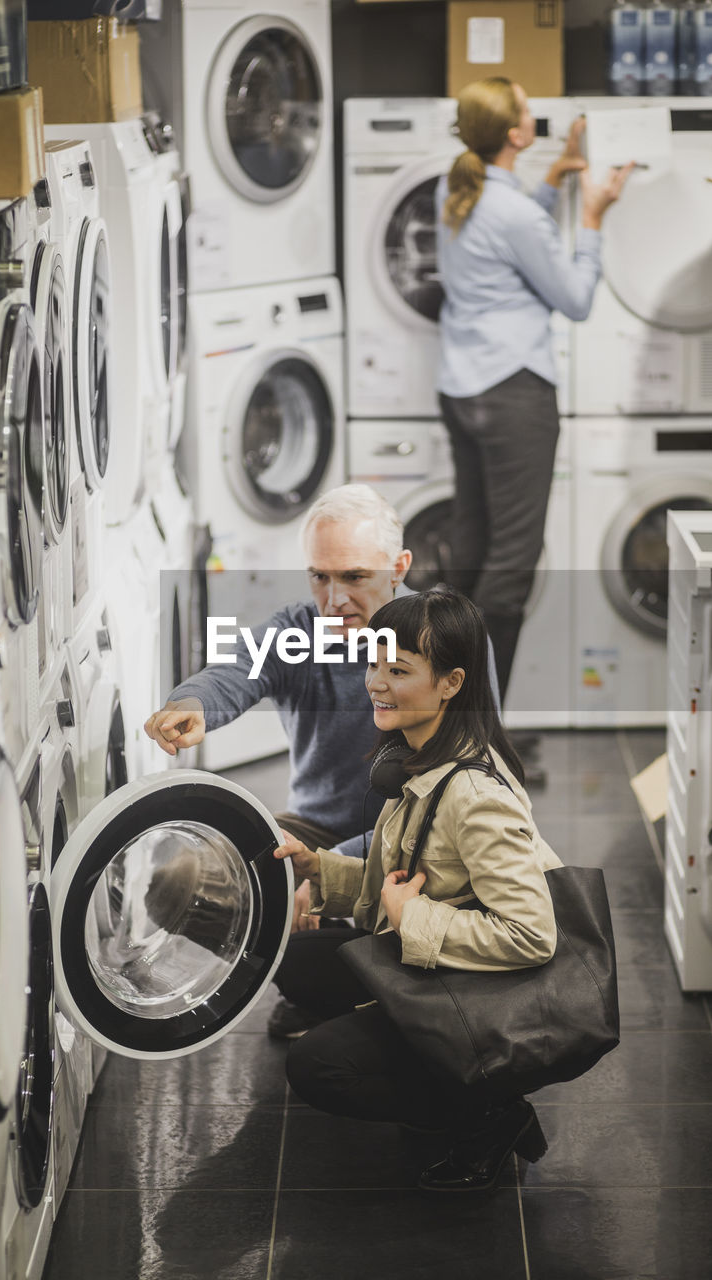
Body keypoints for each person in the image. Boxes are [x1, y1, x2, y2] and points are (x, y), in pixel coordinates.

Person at [145, 484, 501, 1037]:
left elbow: (477, 774)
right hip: (314, 825)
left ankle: (357, 985)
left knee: (412, 892)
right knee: (176, 882)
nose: (333, 599)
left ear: (399, 567)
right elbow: (235, 667)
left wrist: (327, 868)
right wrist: (193, 703)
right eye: (319, 577)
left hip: (422, 835)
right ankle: (316, 982)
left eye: (354, 578)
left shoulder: (449, 638)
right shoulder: (297, 631)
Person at [272, 584, 563, 1192]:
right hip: (441, 964)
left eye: (398, 670)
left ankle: (484, 1112)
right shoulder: (422, 754)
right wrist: (319, 870)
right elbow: (400, 880)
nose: (376, 682)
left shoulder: (474, 794)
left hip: (483, 996)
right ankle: (428, 1063)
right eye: (374, 663)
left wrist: (411, 920)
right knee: (296, 962)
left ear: (452, 683)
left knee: (318, 1067)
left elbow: (532, 935)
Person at [435, 78, 633, 715]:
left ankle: (439, 723)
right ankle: (480, 732)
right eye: (527, 109)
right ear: (517, 133)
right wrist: (595, 215)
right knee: (512, 567)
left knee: (469, 553)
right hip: (514, 394)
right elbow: (573, 298)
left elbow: (512, 238)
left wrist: (554, 179)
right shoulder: (512, 209)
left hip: (460, 389)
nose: (532, 115)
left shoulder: (456, 185)